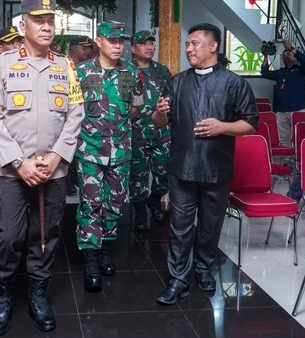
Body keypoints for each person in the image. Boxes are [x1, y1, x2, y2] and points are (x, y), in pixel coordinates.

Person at [0, 0, 84, 335]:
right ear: (22, 25)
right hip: (12, 171)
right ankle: (5, 291)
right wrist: (17, 161)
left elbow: (75, 114)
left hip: (51, 170)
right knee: (8, 236)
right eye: (39, 20)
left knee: (45, 233)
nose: (46, 27)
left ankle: (39, 291)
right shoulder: (1, 65)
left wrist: (57, 156)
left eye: (50, 21)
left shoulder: (65, 66)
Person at [152, 23, 258, 305]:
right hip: (182, 167)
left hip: (216, 168)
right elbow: (160, 122)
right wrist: (160, 113)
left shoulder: (235, 83)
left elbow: (250, 123)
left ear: (213, 46)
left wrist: (222, 126)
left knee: (211, 225)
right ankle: (178, 279)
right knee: (180, 226)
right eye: (187, 44)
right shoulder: (177, 82)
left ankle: (204, 268)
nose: (189, 49)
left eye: (195, 43)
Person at [75, 21, 142, 292]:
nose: (117, 45)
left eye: (121, 41)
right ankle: (90, 257)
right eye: (112, 40)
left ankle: (105, 248)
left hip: (121, 152)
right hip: (90, 151)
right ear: (99, 41)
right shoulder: (81, 72)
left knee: (115, 204)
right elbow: (71, 111)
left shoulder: (131, 73)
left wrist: (118, 125)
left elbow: (134, 108)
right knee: (90, 204)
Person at [129, 30, 171, 230]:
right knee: (138, 176)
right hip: (136, 132)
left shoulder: (162, 70)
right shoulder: (126, 70)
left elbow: (172, 96)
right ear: (133, 48)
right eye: (144, 43)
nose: (149, 47)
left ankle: (154, 200)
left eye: (151, 43)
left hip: (161, 131)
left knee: (164, 174)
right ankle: (139, 213)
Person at [260, 39, 305, 146]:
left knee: (300, 139)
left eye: (289, 54)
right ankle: (286, 162)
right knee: (283, 140)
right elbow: (265, 73)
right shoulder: (280, 72)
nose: (286, 55)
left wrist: (291, 48)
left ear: (295, 58)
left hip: (298, 110)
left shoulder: (301, 71)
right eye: (284, 55)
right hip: (281, 112)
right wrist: (265, 56)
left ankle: (300, 161)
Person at [65, 35, 96, 196]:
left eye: (90, 47)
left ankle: (76, 177)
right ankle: (67, 180)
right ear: (73, 49)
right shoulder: (64, 67)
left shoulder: (92, 68)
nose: (88, 51)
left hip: (88, 120)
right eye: (84, 47)